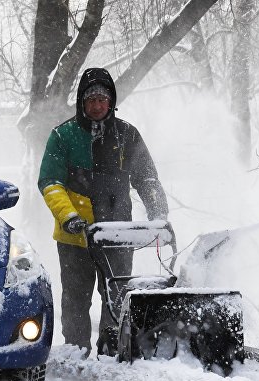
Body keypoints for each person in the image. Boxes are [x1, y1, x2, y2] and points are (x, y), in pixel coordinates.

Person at [38, 67, 168, 357]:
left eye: (102, 99)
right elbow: (50, 182)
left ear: (111, 102)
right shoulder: (63, 136)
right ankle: (76, 352)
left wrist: (159, 214)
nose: (97, 106)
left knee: (118, 298)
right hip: (76, 238)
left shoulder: (127, 135)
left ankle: (112, 351)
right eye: (91, 99)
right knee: (75, 300)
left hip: (117, 235)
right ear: (82, 103)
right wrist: (69, 216)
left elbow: (147, 178)